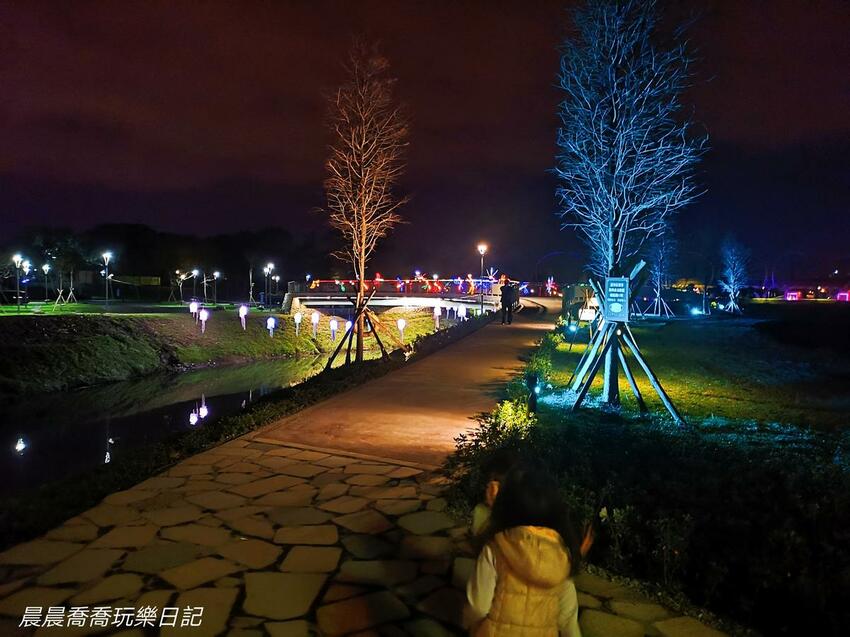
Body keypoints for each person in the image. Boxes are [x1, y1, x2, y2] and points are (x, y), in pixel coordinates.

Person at [466, 464, 582, 636]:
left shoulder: (495, 548)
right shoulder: (562, 554)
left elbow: (478, 606)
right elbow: (567, 617)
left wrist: (470, 625)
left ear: (507, 506)